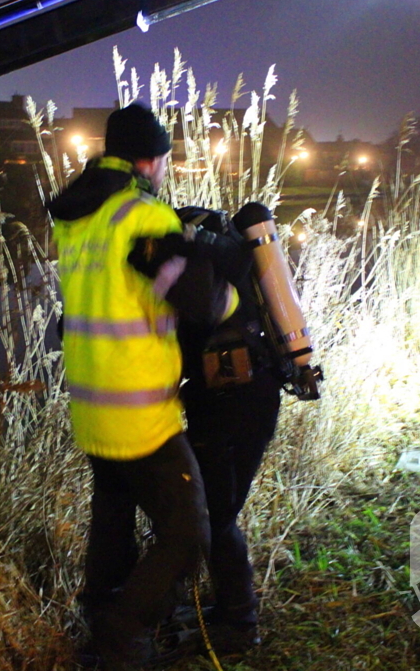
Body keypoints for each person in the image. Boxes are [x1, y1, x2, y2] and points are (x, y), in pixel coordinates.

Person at [47, 104, 235, 669]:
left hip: (89, 403)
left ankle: (99, 615)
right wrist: (224, 265)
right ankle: (122, 638)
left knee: (113, 519)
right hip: (139, 412)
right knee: (189, 532)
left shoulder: (75, 217)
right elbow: (206, 306)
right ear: (151, 160)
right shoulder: (145, 217)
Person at [130, 203, 285, 652]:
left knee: (216, 515)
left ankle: (240, 625)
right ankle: (232, 613)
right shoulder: (231, 255)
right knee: (221, 512)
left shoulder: (190, 267)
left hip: (225, 401)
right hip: (258, 393)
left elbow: (193, 311)